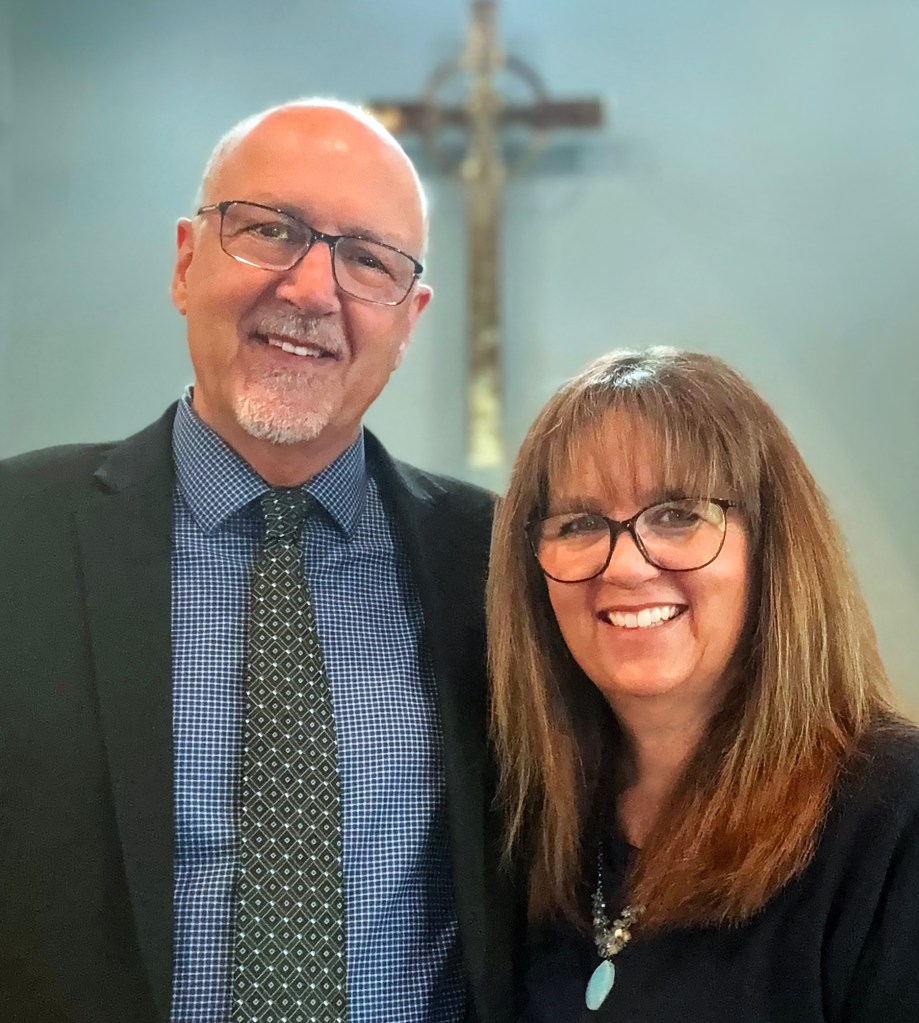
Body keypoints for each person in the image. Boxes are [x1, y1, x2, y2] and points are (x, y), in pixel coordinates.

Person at [0, 99, 514, 1023]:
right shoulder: (17, 535)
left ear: (408, 320)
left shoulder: (492, 563)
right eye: (272, 229)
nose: (313, 290)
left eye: (368, 259)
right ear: (185, 262)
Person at [487, 347, 919, 1022]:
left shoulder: (894, 816)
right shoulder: (529, 820)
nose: (625, 567)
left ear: (771, 547)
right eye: (580, 524)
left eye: (677, 514)